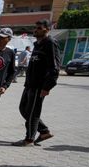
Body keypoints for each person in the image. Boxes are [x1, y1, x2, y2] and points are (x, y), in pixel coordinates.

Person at [12, 19, 60, 147]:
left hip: (39, 85)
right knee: (23, 109)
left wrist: (48, 86)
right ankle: (44, 131)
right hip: (29, 84)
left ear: (47, 29)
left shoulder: (50, 43)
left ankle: (29, 139)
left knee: (33, 112)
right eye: (36, 27)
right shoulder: (38, 44)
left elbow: (54, 67)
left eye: (39, 28)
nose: (36, 30)